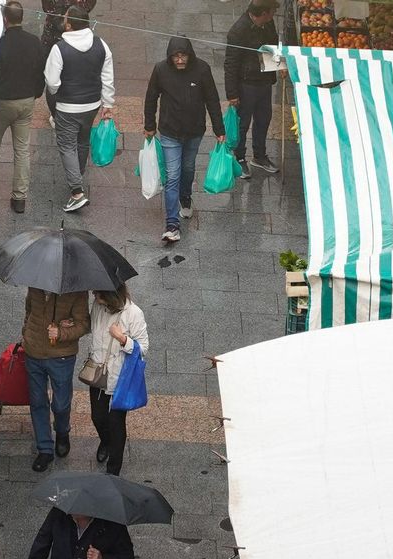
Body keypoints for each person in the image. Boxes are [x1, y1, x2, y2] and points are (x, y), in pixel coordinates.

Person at [143, 37, 225, 244]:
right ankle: (172, 224)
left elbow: (212, 100)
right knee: (172, 176)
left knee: (187, 168)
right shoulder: (161, 70)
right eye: (176, 56)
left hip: (194, 131)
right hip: (170, 132)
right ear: (170, 57)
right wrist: (149, 125)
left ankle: (185, 197)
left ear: (190, 55)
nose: (179, 60)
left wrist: (219, 128)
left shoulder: (202, 70)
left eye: (183, 56)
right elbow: (151, 97)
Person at [0, 2, 47, 214]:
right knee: (22, 149)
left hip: (2, 101)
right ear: (22, 18)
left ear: (5, 19)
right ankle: (19, 197)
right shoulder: (34, 42)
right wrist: (36, 92)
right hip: (26, 101)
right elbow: (40, 70)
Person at [43, 5, 114, 213]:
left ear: (69, 25)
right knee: (83, 142)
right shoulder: (102, 45)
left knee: (66, 145)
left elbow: (52, 83)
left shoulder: (59, 48)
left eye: (65, 18)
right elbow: (107, 78)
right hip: (92, 105)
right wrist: (107, 104)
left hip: (67, 106)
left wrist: (56, 89)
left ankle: (77, 191)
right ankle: (77, 175)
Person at [22, 287, 90, 472]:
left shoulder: (77, 290)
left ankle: (62, 431)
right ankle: (44, 448)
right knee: (37, 402)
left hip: (62, 356)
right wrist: (26, 334)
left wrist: (61, 333)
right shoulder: (35, 283)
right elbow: (29, 311)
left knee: (60, 403)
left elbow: (84, 324)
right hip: (33, 353)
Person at [85, 284, 150, 475]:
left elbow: (143, 347)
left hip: (120, 378)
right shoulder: (98, 306)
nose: (94, 295)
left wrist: (123, 339)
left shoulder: (134, 313)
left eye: (98, 293)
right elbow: (91, 326)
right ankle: (106, 442)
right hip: (98, 372)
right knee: (97, 417)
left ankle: (113, 470)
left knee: (116, 423)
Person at [224, 0, 281, 178]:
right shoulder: (238, 31)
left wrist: (280, 64)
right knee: (242, 124)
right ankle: (239, 158)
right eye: (271, 12)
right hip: (246, 84)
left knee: (263, 120)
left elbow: (273, 46)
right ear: (263, 13)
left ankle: (259, 156)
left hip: (264, 80)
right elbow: (231, 64)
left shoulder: (268, 24)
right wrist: (232, 94)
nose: (273, 15)